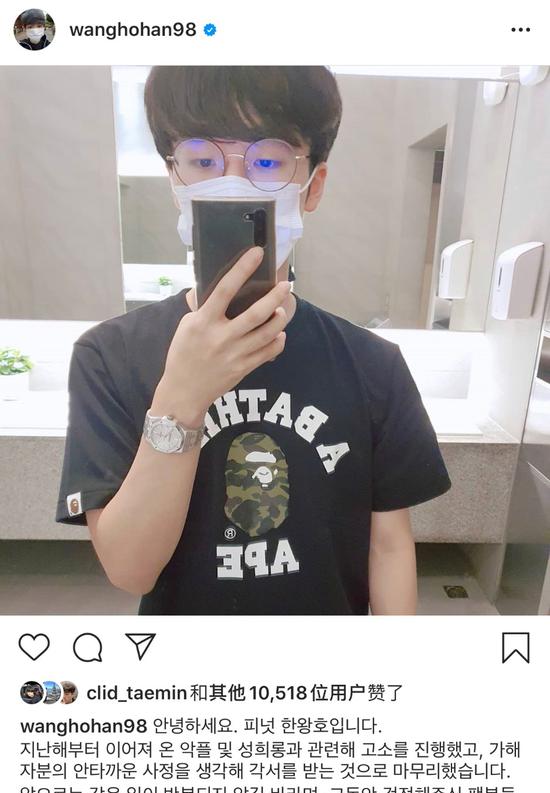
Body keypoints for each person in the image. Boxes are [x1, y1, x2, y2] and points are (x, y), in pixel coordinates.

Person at [56, 66, 452, 615]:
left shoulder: (372, 364)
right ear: (175, 181)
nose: (235, 183)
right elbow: (130, 570)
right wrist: (182, 397)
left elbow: (387, 546)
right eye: (203, 160)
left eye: (268, 160)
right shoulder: (109, 356)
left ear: (313, 186)